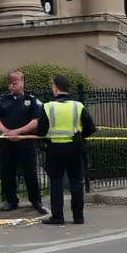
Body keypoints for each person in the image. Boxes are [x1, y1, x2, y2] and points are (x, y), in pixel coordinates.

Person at [38, 74, 96, 225]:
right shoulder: (78, 106)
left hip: (55, 149)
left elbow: (41, 130)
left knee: (56, 182)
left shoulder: (48, 106)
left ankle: (57, 216)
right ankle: (78, 216)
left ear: (56, 88)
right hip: (75, 148)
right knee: (77, 181)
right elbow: (90, 128)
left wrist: (48, 140)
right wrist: (79, 137)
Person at [0, 70, 47, 215]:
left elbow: (36, 121)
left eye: (15, 82)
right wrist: (6, 131)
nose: (12, 86)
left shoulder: (32, 100)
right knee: (7, 172)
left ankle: (36, 201)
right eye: (10, 83)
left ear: (22, 83)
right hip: (7, 142)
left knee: (30, 172)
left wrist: (19, 132)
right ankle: (11, 201)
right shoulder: (2, 101)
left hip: (26, 142)